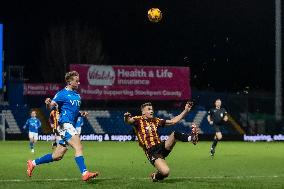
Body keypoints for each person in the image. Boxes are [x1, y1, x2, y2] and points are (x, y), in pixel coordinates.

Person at [26, 71, 98, 181]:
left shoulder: (77, 96)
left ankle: (33, 163)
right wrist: (48, 103)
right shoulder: (62, 94)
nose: (78, 82)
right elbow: (51, 106)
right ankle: (85, 173)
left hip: (70, 124)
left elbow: (72, 111)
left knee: (57, 155)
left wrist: (81, 114)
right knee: (78, 147)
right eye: (76, 80)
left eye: (79, 80)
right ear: (69, 82)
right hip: (65, 124)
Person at [124, 102, 198, 182]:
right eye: (149, 109)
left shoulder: (156, 120)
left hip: (161, 146)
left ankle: (192, 138)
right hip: (152, 151)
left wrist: (186, 110)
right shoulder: (138, 120)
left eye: (152, 109)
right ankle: (155, 176)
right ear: (143, 112)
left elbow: (173, 121)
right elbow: (128, 121)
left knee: (174, 134)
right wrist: (126, 117)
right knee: (165, 172)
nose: (151, 111)